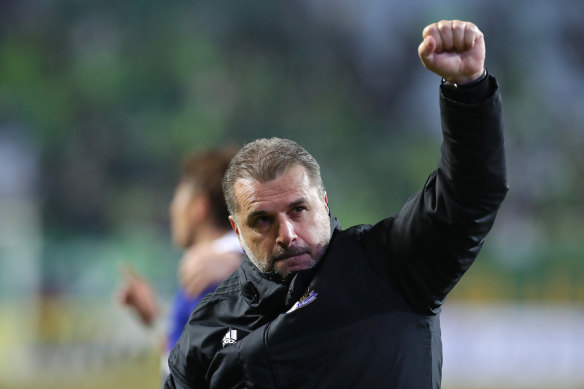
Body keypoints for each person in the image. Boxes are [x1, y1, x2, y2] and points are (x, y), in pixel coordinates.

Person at [164, 20, 508, 389]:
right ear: (237, 229)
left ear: (323, 204)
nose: (288, 234)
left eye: (298, 210)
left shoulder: (391, 265)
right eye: (263, 220)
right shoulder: (212, 321)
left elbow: (470, 194)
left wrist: (468, 89)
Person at [118, 147, 243, 381]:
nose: (172, 208)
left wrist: (242, 265)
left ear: (199, 206)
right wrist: (155, 320)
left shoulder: (212, 272)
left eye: (178, 196)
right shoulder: (223, 267)